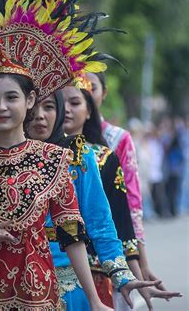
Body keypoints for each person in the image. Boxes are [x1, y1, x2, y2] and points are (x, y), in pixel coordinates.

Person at [0, 0, 158, 309]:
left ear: (29, 101)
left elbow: (82, 230)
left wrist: (102, 291)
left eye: (12, 97)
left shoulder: (61, 159)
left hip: (43, 291)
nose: (1, 106)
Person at [56, 85, 180, 309]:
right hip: (35, 271)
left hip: (95, 272)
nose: (66, 110)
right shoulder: (33, 155)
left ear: (90, 110)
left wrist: (135, 272)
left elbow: (114, 223)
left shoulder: (100, 157)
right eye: (59, 103)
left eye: (75, 103)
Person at [86, 72, 169, 302]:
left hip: (109, 249)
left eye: (91, 87)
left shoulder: (115, 140)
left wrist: (141, 262)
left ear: (104, 92)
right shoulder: (53, 139)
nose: (84, 93)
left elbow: (130, 203)